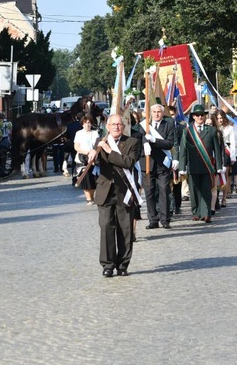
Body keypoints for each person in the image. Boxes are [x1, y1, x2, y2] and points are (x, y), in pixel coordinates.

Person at [87, 113, 142, 277]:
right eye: (113, 124)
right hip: (105, 191)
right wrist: (90, 155)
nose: (117, 127)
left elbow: (128, 162)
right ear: (107, 127)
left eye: (119, 124)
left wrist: (109, 150)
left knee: (125, 230)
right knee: (106, 226)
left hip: (124, 191)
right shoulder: (100, 142)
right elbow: (94, 162)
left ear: (123, 127)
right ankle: (108, 264)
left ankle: (123, 265)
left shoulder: (132, 142)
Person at [178, 104, 223, 222]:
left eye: (202, 115)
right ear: (193, 117)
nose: (200, 117)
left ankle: (206, 213)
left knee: (206, 190)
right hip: (192, 167)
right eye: (197, 115)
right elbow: (183, 150)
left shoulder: (212, 130)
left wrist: (219, 166)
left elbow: (217, 150)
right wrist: (182, 167)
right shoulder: (187, 131)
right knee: (194, 190)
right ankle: (196, 212)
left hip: (207, 166)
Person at [142, 104, 175, 229]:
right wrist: (145, 142)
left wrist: (154, 141)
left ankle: (165, 219)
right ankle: (153, 220)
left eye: (159, 112)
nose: (156, 114)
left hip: (162, 164)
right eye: (154, 112)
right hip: (148, 164)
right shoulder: (144, 125)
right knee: (149, 193)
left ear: (162, 113)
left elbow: (169, 143)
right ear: (150, 113)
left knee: (164, 191)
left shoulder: (168, 125)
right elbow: (138, 137)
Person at [73, 114, 99, 205]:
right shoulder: (79, 133)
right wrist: (87, 152)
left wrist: (94, 153)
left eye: (89, 122)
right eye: (85, 123)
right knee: (85, 179)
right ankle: (88, 198)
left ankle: (92, 196)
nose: (87, 124)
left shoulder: (95, 133)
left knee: (93, 179)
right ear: (82, 124)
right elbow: (76, 147)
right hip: (82, 158)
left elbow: (97, 145)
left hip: (94, 159)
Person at [216, 110, 237, 207]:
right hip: (216, 152)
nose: (220, 120)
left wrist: (233, 156)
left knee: (226, 175)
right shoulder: (214, 128)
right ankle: (215, 197)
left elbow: (232, 143)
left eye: (221, 118)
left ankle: (224, 198)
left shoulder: (230, 128)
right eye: (218, 118)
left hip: (226, 151)